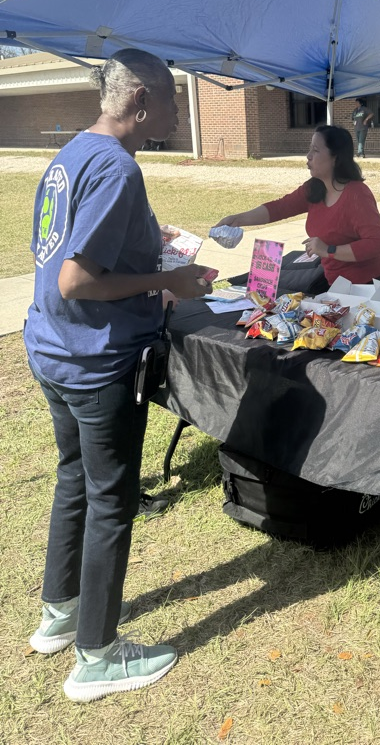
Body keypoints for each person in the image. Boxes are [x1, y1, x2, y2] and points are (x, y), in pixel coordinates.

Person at [25, 48, 214, 702]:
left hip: (53, 352)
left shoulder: (73, 154)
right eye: (172, 99)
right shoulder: (115, 168)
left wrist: (145, 246)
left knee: (74, 482)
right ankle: (98, 657)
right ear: (142, 101)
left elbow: (58, 253)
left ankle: (59, 617)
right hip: (95, 362)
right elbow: (78, 278)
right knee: (111, 503)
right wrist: (170, 280)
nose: (177, 110)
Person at [214, 125, 380, 285]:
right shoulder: (314, 188)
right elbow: (279, 208)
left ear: (335, 158)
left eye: (315, 150)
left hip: (368, 283)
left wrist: (329, 250)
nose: (308, 156)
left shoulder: (356, 194)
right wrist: (237, 219)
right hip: (336, 281)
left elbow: (378, 242)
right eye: (309, 149)